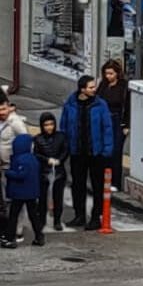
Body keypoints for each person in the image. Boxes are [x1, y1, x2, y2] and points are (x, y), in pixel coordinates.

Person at [61, 75, 114, 230]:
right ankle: (79, 215)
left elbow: (107, 128)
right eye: (91, 87)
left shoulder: (101, 104)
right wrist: (65, 147)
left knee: (97, 186)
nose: (94, 89)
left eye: (94, 87)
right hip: (77, 152)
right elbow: (64, 126)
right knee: (77, 184)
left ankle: (96, 217)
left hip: (96, 153)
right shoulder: (70, 104)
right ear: (82, 89)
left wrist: (107, 150)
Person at [3, 134, 43, 248]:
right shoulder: (33, 158)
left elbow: (21, 175)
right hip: (31, 193)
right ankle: (39, 237)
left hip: (20, 194)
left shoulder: (22, 159)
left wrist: (8, 172)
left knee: (13, 216)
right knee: (33, 215)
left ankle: (10, 239)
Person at [97, 60, 130, 191]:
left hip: (117, 121)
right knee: (104, 150)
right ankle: (104, 178)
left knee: (116, 151)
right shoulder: (103, 85)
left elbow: (127, 106)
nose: (108, 76)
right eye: (106, 73)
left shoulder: (124, 86)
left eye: (111, 73)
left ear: (117, 73)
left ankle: (116, 182)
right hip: (104, 121)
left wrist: (127, 125)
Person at [0, 92, 29, 239]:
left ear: (9, 107)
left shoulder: (15, 122)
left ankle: (17, 229)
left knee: (16, 200)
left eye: (3, 109)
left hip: (12, 168)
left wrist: (22, 165)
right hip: (1, 169)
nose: (2, 113)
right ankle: (7, 228)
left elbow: (26, 143)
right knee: (4, 200)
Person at [34, 113, 68, 232]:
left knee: (58, 198)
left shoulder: (61, 137)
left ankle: (57, 220)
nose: (49, 127)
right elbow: (36, 154)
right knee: (42, 198)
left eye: (51, 124)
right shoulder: (38, 139)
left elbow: (65, 150)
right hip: (43, 172)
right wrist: (47, 160)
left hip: (59, 172)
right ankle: (42, 220)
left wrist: (59, 160)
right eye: (46, 125)